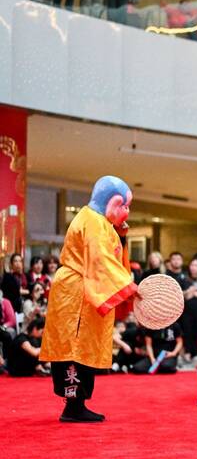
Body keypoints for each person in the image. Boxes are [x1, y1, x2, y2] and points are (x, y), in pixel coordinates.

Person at [39, 176, 138, 423]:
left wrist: (120, 237)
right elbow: (101, 261)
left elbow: (109, 258)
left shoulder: (97, 221)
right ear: (114, 203)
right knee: (75, 349)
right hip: (77, 293)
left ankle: (75, 404)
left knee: (80, 347)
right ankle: (73, 405)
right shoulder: (94, 222)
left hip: (80, 290)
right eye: (125, 206)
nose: (127, 211)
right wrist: (129, 287)